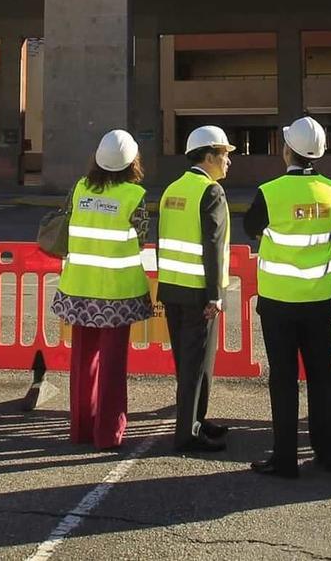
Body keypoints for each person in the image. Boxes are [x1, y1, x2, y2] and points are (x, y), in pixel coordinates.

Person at [244, 115, 331, 478]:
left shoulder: (271, 191)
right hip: (318, 299)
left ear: (288, 150)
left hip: (278, 301)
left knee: (284, 380)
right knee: (323, 377)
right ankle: (330, 453)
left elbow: (251, 227)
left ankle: (284, 458)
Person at [51, 130, 153, 450]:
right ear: (132, 162)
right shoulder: (134, 196)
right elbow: (142, 238)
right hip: (117, 294)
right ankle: (108, 433)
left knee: (83, 361)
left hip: (79, 288)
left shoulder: (80, 189)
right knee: (112, 364)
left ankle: (80, 428)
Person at [157, 125, 235, 454]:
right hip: (200, 293)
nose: (229, 162)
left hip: (173, 289)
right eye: (224, 155)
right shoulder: (210, 192)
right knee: (198, 366)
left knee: (188, 364)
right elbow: (212, 245)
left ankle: (197, 421)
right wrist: (215, 295)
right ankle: (187, 433)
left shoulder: (172, 189)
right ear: (208, 156)